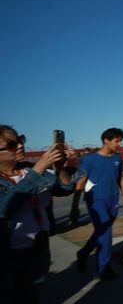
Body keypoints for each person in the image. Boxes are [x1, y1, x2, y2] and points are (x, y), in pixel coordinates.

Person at [0, 126, 81, 302]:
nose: (20, 146)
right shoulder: (34, 171)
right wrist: (38, 169)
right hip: (8, 254)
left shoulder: (28, 170)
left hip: (39, 247)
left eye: (20, 140)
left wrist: (60, 167)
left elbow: (64, 189)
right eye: (12, 145)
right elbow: (5, 209)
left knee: (32, 295)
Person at [76, 127, 123, 280]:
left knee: (101, 232)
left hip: (113, 199)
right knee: (106, 234)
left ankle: (83, 253)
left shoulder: (117, 158)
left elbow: (120, 178)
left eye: (120, 141)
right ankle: (103, 269)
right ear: (106, 141)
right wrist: (74, 206)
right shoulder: (89, 159)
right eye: (117, 141)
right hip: (96, 200)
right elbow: (80, 182)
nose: (119, 144)